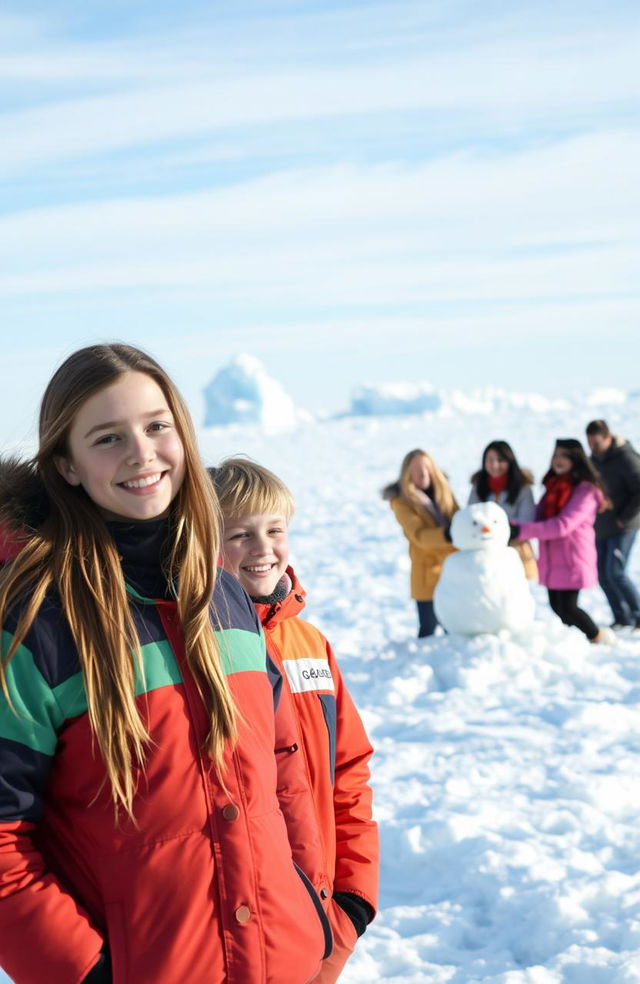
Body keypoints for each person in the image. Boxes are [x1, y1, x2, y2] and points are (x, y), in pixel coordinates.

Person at [0, 344, 331, 984]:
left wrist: (314, 917)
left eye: (157, 426)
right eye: (107, 437)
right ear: (66, 466)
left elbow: (284, 771)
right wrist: (88, 973)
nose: (141, 452)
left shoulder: (224, 595)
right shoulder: (37, 625)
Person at [210, 458, 379, 984]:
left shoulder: (309, 645)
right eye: (240, 534)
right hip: (234, 924)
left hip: (323, 914)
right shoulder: (199, 647)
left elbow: (348, 772)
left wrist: (353, 901)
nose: (263, 549)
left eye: (275, 530)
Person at [510, 438, 614, 645]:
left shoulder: (586, 490)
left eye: (564, 456)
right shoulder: (553, 485)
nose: (558, 460)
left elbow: (562, 525)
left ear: (576, 459)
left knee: (568, 608)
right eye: (556, 454)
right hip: (552, 557)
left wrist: (520, 530)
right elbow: (538, 516)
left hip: (572, 556)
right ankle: (572, 643)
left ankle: (597, 637)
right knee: (557, 606)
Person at [382, 449, 458, 637]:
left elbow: (459, 519)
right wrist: (450, 534)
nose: (422, 473)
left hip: (452, 572)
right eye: (415, 469)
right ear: (406, 473)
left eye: (426, 468)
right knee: (428, 630)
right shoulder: (402, 502)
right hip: (427, 576)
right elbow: (420, 536)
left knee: (455, 627)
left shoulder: (444, 494)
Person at [585, 419, 640, 631]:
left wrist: (623, 517)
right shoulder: (594, 460)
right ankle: (621, 617)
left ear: (608, 438)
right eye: (590, 444)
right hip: (603, 525)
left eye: (597, 443)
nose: (593, 448)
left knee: (615, 571)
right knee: (602, 573)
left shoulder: (626, 458)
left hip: (624, 525)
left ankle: (637, 614)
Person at [467, 440, 538, 579]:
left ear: (510, 462)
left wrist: (494, 529)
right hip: (485, 554)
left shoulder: (522, 488)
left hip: (516, 552)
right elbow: (471, 516)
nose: (494, 465)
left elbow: (527, 520)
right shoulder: (478, 487)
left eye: (500, 460)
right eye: (490, 460)